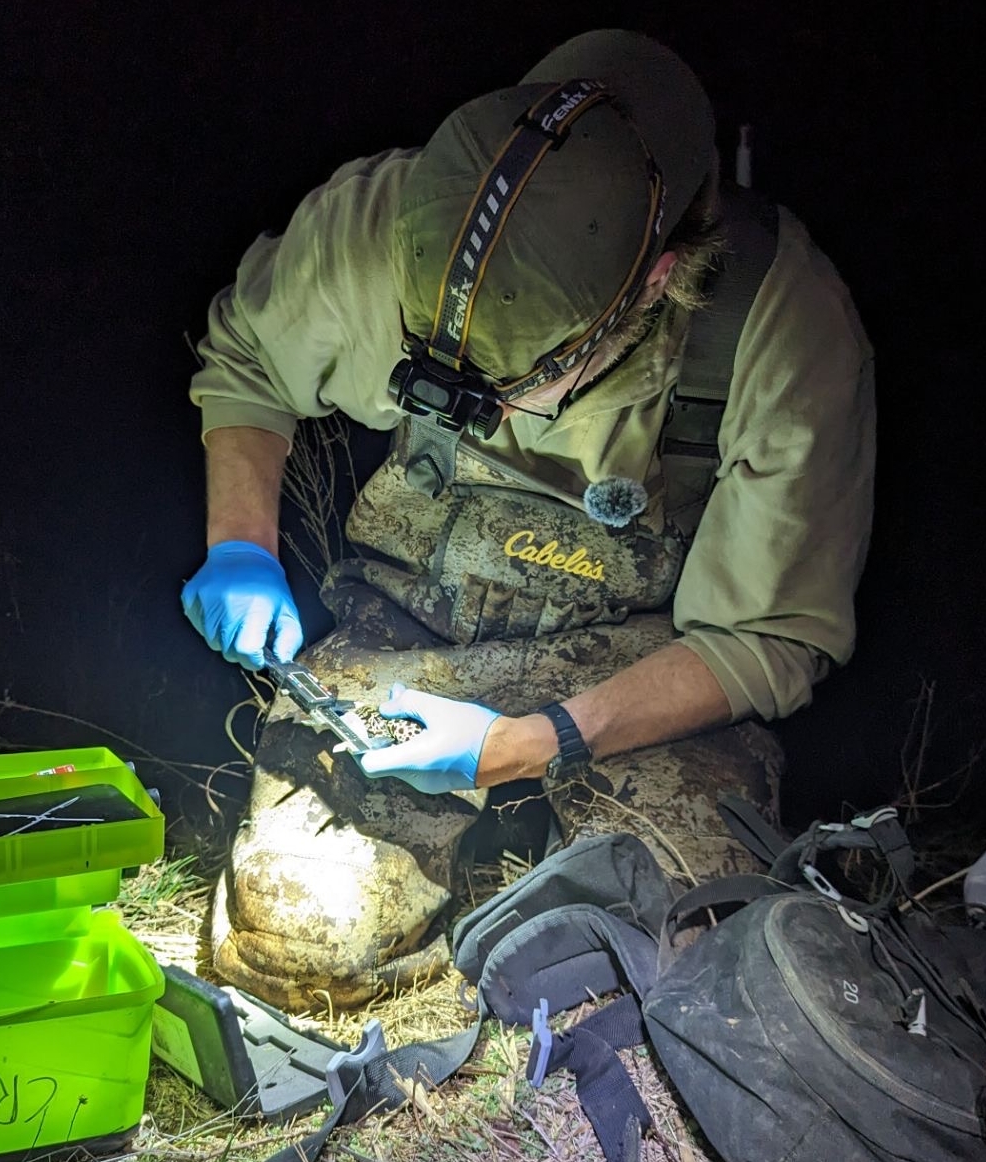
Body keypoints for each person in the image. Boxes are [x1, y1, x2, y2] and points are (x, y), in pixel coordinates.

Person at [182, 30, 875, 1010]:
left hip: (632, 672)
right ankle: (450, 885)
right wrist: (240, 544)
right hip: (409, 636)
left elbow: (768, 639)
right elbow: (249, 362)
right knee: (293, 944)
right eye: (436, 376)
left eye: (518, 385)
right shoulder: (385, 222)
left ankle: (529, 863)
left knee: (689, 968)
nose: (477, 418)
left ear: (657, 280)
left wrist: (535, 740)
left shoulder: (782, 328)